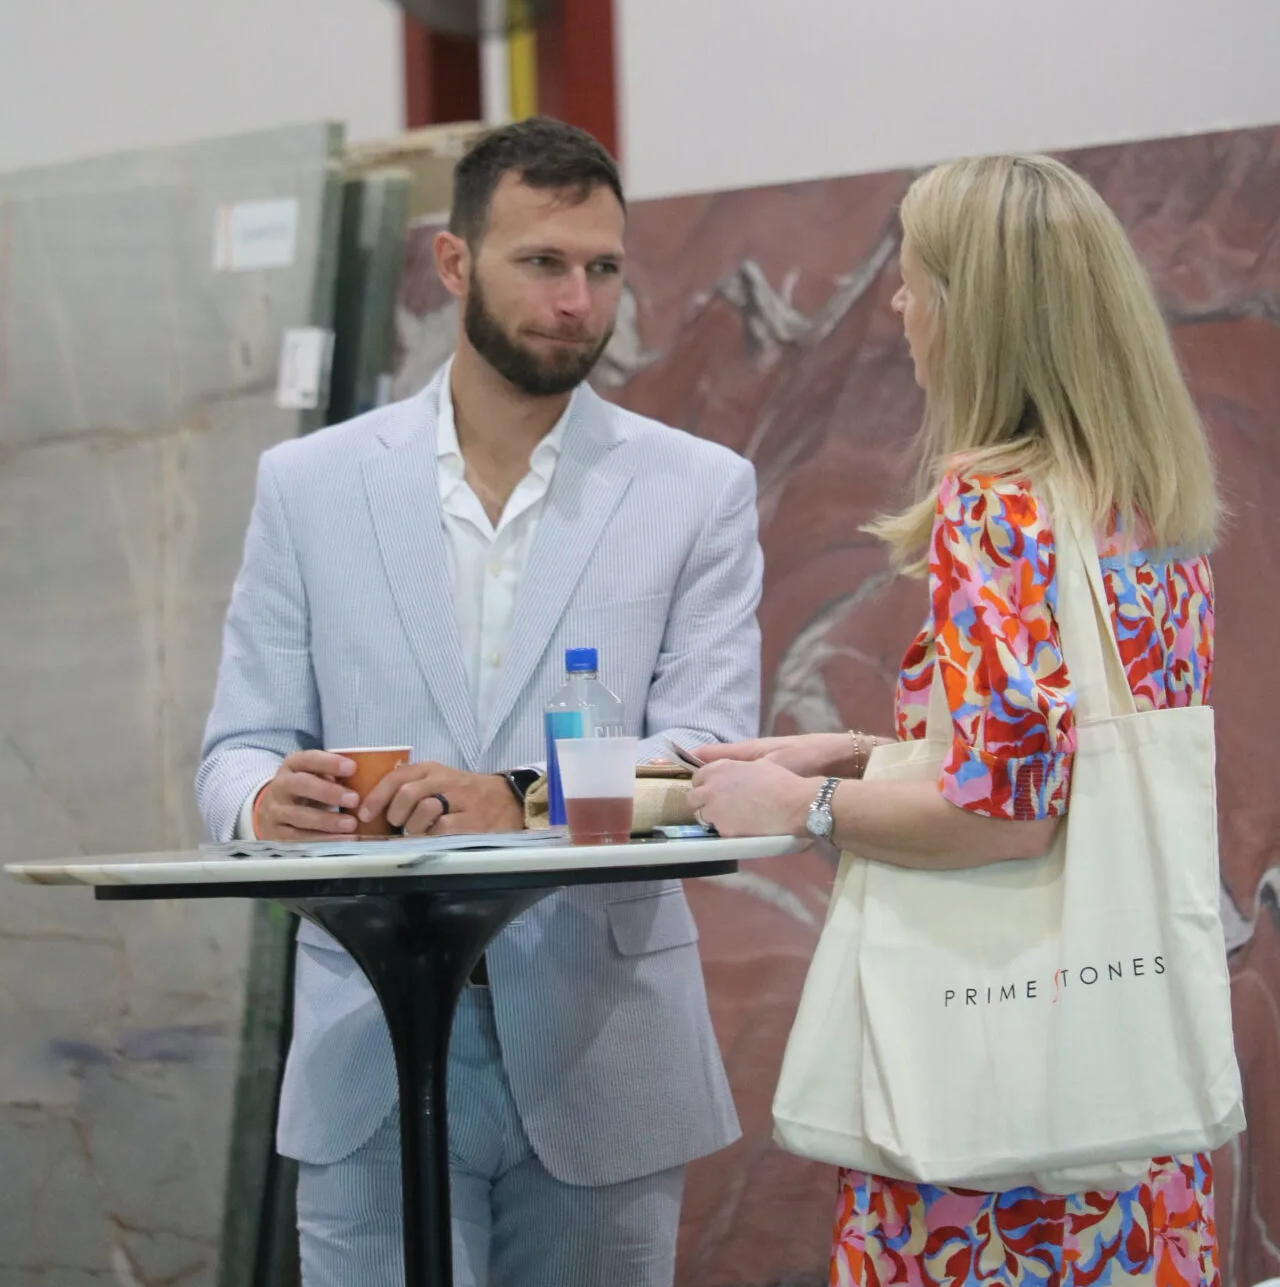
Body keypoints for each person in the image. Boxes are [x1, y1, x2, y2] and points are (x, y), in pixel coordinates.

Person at [197, 116, 762, 1287]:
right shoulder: (309, 486)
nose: (577, 302)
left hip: (604, 1043)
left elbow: (710, 759)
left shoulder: (696, 489)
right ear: (454, 263)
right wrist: (262, 803)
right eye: (541, 262)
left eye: (601, 268)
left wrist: (510, 799)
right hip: (369, 1043)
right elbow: (237, 747)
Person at [689, 152, 1222, 1287]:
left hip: (994, 1137)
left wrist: (801, 804)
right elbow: (1062, 765)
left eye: (915, 278)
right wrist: (860, 752)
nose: (896, 303)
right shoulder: (1145, 505)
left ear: (978, 314)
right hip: (1123, 1111)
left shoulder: (997, 506)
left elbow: (1005, 819)